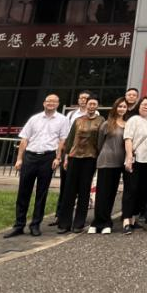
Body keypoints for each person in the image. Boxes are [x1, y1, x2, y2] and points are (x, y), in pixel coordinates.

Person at [4, 94, 69, 238]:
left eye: (54, 101)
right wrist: (19, 159)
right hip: (30, 156)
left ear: (58, 104)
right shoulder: (34, 119)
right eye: (48, 101)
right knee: (23, 192)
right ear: (44, 103)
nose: (51, 103)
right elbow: (24, 139)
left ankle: (35, 224)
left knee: (42, 193)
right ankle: (19, 225)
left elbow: (62, 141)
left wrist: (58, 158)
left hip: (48, 157)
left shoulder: (63, 120)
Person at [57, 96, 102, 234]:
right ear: (86, 105)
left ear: (97, 106)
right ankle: (64, 223)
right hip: (74, 157)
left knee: (84, 190)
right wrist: (66, 157)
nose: (91, 106)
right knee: (69, 190)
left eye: (94, 104)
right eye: (90, 104)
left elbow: (100, 141)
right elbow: (70, 140)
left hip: (90, 158)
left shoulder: (101, 121)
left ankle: (79, 223)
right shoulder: (77, 120)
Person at [51, 91, 89, 226]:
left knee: (81, 187)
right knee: (65, 185)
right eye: (81, 98)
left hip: (85, 155)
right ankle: (60, 215)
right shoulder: (71, 114)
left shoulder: (95, 115)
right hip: (69, 152)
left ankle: (78, 218)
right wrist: (62, 153)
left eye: (86, 98)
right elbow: (65, 134)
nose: (83, 100)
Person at [91, 97, 128, 234]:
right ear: (115, 108)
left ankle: (106, 222)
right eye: (120, 106)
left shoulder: (127, 125)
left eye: (124, 107)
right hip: (106, 161)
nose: (122, 109)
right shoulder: (107, 124)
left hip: (119, 163)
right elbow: (99, 143)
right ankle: (97, 223)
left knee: (112, 193)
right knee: (102, 193)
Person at [122, 96, 147, 233]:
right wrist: (129, 156)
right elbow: (128, 139)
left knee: (142, 190)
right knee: (131, 189)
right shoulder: (133, 120)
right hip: (135, 159)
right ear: (139, 106)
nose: (146, 107)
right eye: (143, 104)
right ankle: (126, 220)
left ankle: (133, 219)